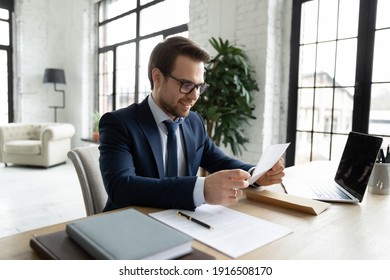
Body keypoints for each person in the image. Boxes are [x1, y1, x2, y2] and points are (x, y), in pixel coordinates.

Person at [99, 36, 285, 212]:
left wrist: (256, 174)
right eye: (186, 85)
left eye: (199, 87)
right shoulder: (118, 123)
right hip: (131, 224)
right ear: (157, 77)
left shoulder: (194, 122)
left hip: (184, 221)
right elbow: (121, 188)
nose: (195, 96)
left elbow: (220, 161)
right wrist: (201, 189)